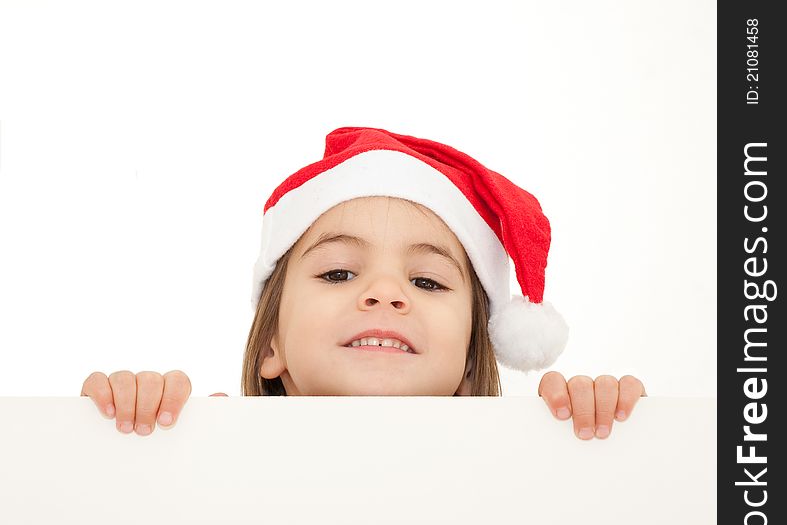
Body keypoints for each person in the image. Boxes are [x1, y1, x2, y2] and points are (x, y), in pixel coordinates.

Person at [81, 126, 645, 440]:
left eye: (426, 281)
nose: (384, 293)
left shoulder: (527, 450)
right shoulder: (203, 435)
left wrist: (595, 430)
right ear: (270, 345)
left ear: (473, 363)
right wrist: (130, 422)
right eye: (339, 273)